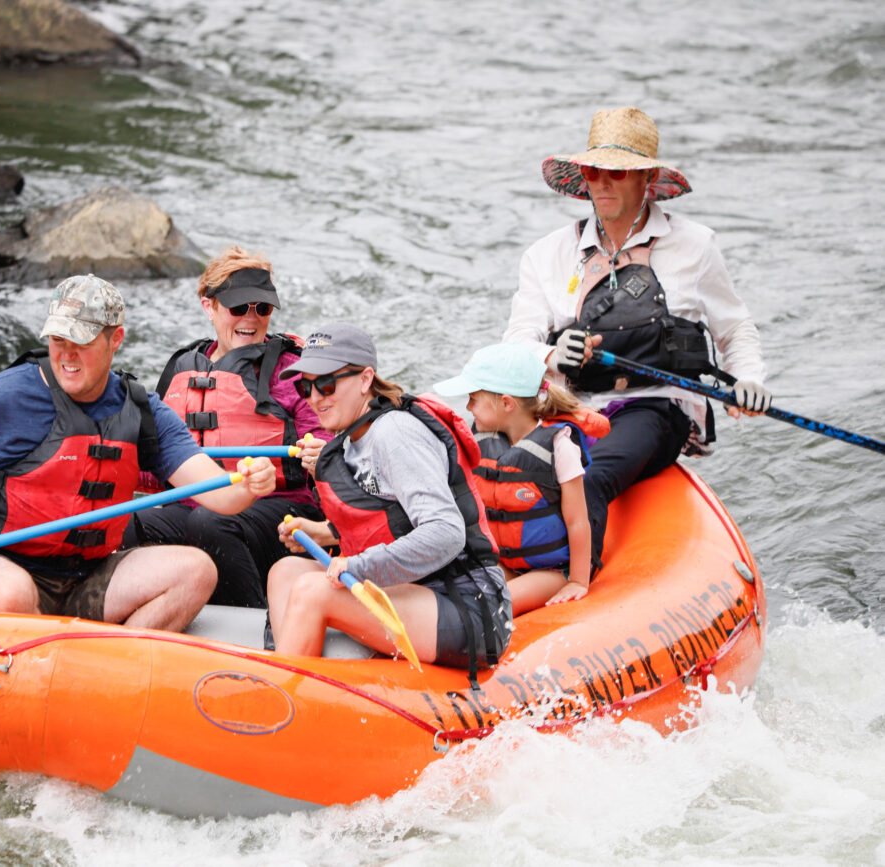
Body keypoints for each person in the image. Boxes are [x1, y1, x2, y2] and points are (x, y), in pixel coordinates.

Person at [0, 274, 276, 632]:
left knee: (196, 571)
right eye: (57, 339)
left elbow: (219, 492)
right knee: (12, 591)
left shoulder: (141, 410)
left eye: (80, 341)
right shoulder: (1, 398)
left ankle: (110, 666)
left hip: (84, 575)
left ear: (116, 339)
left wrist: (249, 485)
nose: (67, 354)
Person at [503, 106, 769, 567]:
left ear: (646, 179)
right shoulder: (545, 255)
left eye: (618, 172)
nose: (602, 183)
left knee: (588, 476)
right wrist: (549, 355)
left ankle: (578, 583)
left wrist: (748, 380)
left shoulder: (696, 246)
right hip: (569, 407)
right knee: (496, 468)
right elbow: (515, 345)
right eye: (594, 171)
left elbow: (735, 328)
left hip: (657, 407)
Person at [267, 323, 511, 676]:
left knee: (311, 590)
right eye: (305, 386)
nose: (315, 397)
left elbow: (446, 531)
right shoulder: (354, 434)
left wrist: (359, 565)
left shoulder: (395, 433)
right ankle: (298, 669)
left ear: (365, 380)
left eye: (327, 383)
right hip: (416, 589)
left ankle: (283, 696)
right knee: (285, 571)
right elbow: (391, 519)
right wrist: (323, 533)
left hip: (467, 604)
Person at [123, 247, 330, 608]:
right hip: (196, 508)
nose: (251, 319)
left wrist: (322, 454)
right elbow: (161, 465)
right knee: (125, 523)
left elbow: (329, 438)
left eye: (262, 308)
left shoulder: (293, 370)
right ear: (209, 306)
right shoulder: (181, 369)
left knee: (211, 521)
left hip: (282, 510)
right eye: (238, 308)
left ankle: (253, 622)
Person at [434, 343, 608, 616]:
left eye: (473, 399)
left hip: (550, 572)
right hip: (503, 563)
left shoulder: (559, 445)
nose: (468, 407)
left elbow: (577, 521)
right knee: (453, 591)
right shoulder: (481, 441)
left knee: (486, 607)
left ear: (506, 403)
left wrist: (577, 581)